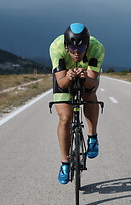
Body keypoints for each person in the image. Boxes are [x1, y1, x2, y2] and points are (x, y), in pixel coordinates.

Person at [49, 23, 105, 184]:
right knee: (65, 118)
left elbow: (91, 83)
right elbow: (61, 83)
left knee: (90, 95)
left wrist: (84, 77)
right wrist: (70, 76)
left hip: (87, 76)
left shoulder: (97, 48)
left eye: (81, 50)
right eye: (72, 49)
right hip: (64, 77)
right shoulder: (57, 46)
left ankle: (92, 136)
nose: (76, 53)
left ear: (87, 46)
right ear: (66, 46)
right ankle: (65, 164)